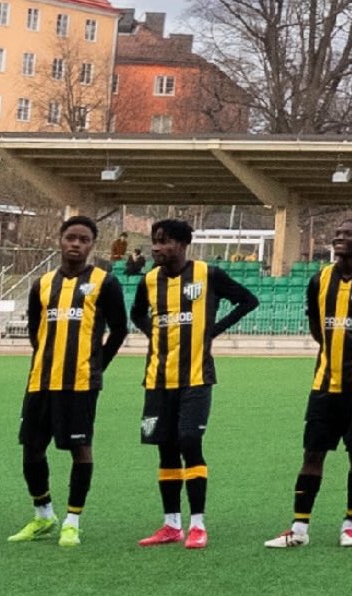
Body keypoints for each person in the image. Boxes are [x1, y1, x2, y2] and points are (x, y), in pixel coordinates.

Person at [265, 219, 352, 549]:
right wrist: (331, 351)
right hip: (325, 384)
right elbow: (315, 323)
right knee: (312, 453)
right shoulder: (319, 279)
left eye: (348, 235)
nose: (339, 239)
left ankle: (351, 523)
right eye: (337, 235)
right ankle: (299, 527)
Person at [131, 219, 259, 549]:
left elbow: (248, 300)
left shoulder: (208, 274)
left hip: (196, 378)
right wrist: (153, 332)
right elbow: (136, 314)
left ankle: (198, 524)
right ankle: (171, 524)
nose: (157, 247)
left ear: (184, 244)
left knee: (189, 441)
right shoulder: (149, 280)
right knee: (166, 448)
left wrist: (212, 330)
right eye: (155, 241)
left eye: (165, 241)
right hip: (158, 378)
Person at [7, 216, 127, 548]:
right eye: (70, 237)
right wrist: (48, 356)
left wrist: (97, 364)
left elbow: (119, 329)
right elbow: (35, 330)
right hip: (40, 381)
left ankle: (73, 520)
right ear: (60, 240)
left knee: (80, 450)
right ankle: (44, 514)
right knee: (31, 450)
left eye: (83, 239)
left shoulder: (105, 282)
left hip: (81, 383)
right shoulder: (42, 284)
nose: (76, 244)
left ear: (91, 245)